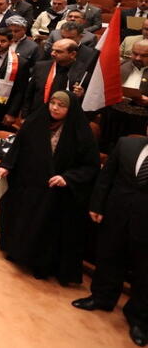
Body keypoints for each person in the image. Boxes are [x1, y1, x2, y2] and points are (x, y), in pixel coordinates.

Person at [0, 91, 99, 284]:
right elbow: (18, 146)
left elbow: (90, 166)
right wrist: (6, 165)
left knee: (44, 228)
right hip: (29, 184)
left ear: (70, 109)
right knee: (24, 220)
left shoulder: (81, 132)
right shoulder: (36, 121)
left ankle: (39, 264)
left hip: (55, 191)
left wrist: (67, 178)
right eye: (52, 103)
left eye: (61, 105)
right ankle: (18, 253)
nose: (55, 108)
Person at [72, 134, 148, 347]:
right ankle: (101, 298)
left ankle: (139, 319)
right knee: (109, 256)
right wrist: (97, 204)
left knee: (145, 273)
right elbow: (106, 177)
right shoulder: (126, 144)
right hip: (116, 214)